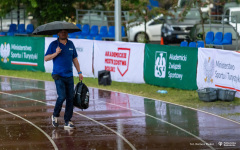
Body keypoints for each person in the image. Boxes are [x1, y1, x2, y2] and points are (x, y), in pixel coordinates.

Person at [44, 29, 83, 129]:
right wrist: (56, 53)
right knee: (62, 96)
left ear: (67, 33)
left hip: (69, 75)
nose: (63, 33)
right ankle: (55, 115)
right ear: (58, 33)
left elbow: (75, 59)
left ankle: (67, 121)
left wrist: (79, 72)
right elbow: (46, 58)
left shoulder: (71, 44)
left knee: (70, 98)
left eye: (65, 32)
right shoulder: (53, 44)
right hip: (58, 75)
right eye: (61, 32)